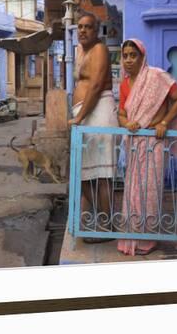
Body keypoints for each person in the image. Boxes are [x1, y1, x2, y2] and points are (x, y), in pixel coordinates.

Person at [116, 38, 177, 256]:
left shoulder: (156, 77)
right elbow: (121, 114)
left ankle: (147, 239)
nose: (128, 60)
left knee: (149, 189)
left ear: (142, 57)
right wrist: (128, 123)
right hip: (135, 144)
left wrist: (165, 122)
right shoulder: (125, 84)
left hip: (154, 143)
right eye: (125, 55)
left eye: (133, 55)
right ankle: (130, 236)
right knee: (132, 190)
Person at [68, 12, 118, 243]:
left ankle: (107, 226)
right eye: (79, 27)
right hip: (84, 114)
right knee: (84, 175)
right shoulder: (80, 51)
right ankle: (103, 220)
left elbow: (96, 85)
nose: (83, 30)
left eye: (88, 27)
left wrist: (80, 117)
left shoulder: (99, 49)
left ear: (96, 30)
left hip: (97, 112)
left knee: (102, 174)